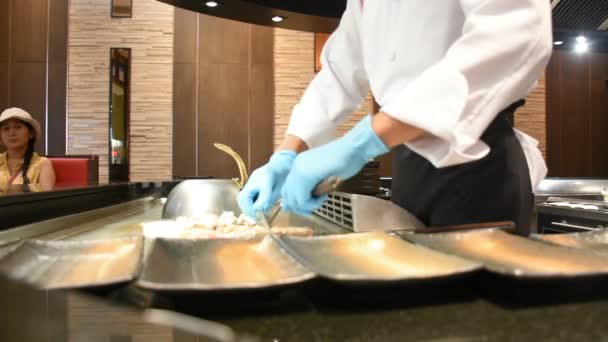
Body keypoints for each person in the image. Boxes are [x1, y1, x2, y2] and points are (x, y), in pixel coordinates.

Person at [238, 0, 552, 233]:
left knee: (474, 314)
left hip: (479, 164)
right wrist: (285, 155)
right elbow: (338, 74)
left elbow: (514, 34)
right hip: (409, 169)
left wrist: (363, 142)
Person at [0, 108, 56, 191]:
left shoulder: (42, 164)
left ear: (31, 133)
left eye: (18, 127)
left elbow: (46, 200)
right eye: (6, 128)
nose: (11, 133)